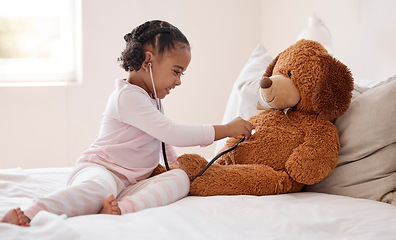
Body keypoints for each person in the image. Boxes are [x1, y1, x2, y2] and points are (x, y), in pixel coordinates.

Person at [1, 20, 253, 226]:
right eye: (176, 71)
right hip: (101, 169)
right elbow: (171, 132)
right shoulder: (127, 97)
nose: (178, 81)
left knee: (179, 180)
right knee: (99, 187)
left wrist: (175, 165)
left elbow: (162, 140)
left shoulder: (151, 98)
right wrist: (226, 129)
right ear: (147, 61)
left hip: (128, 184)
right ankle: (32, 211)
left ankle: (119, 209)